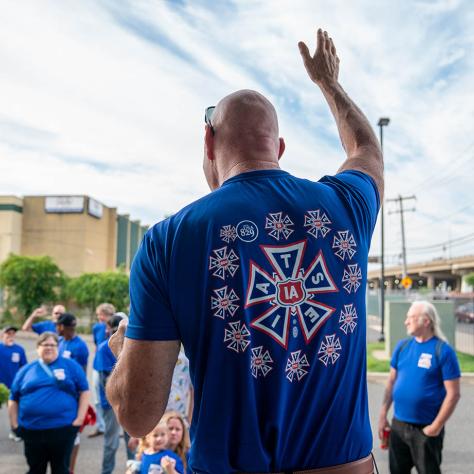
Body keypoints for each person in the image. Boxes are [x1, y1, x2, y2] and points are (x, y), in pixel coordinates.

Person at [107, 28, 383, 473]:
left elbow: (137, 415)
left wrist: (123, 356)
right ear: (278, 149)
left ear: (209, 143)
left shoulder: (168, 241)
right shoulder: (346, 206)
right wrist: (328, 83)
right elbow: (367, 150)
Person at [378, 301, 461, 474]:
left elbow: (453, 394)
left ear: (426, 321)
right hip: (398, 426)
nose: (406, 321)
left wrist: (436, 426)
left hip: (426, 429)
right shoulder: (402, 347)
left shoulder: (443, 351)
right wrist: (382, 414)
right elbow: (391, 382)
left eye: (411, 317)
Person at [8, 332, 90, 474]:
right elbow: (13, 398)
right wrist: (14, 424)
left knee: (61, 469)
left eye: (52, 345)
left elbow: (84, 391)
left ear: (58, 347)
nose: (49, 348)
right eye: (45, 344)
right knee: (35, 469)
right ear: (38, 348)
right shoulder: (26, 370)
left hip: (63, 429)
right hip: (32, 430)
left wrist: (79, 419)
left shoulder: (71, 366)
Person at [97, 313, 134, 474]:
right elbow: (105, 379)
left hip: (130, 401)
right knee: (111, 442)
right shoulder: (104, 347)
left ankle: (133, 469)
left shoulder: (132, 346)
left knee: (132, 440)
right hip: (111, 402)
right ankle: (106, 471)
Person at [90, 303, 116, 439]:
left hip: (113, 364)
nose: (99, 317)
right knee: (98, 397)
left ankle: (115, 426)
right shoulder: (97, 328)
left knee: (115, 397)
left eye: (101, 315)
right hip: (99, 365)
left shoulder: (115, 327)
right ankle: (101, 425)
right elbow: (96, 345)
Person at [0, 325, 28, 442]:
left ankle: (14, 432)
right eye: (8, 333)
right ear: (2, 335)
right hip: (0, 386)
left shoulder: (19, 350)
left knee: (14, 411)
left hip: (13, 387)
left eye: (12, 334)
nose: (10, 336)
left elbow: (24, 368)